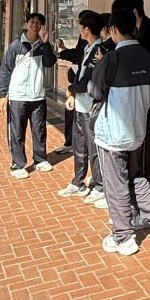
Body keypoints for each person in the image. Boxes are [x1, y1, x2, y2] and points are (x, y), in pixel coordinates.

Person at [90, 7, 150, 256]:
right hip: (137, 131)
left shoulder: (111, 58)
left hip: (112, 134)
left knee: (115, 184)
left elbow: (95, 91)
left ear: (113, 30)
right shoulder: (147, 56)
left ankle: (123, 237)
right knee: (135, 176)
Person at [0, 13, 58, 179]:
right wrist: (2, 94)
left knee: (39, 130)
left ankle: (40, 159)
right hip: (18, 96)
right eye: (32, 22)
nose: (35, 25)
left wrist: (46, 43)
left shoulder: (42, 45)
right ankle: (18, 164)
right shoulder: (16, 45)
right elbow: (5, 70)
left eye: (38, 23)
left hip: (37, 96)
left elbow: (49, 62)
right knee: (17, 131)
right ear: (26, 24)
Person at [58, 11, 104, 201]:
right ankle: (78, 182)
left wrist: (71, 89)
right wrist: (74, 95)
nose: (78, 29)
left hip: (90, 106)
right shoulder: (87, 48)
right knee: (79, 146)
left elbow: (89, 81)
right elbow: (81, 75)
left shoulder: (99, 50)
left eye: (80, 26)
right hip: (80, 104)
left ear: (86, 29)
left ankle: (100, 186)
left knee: (93, 147)